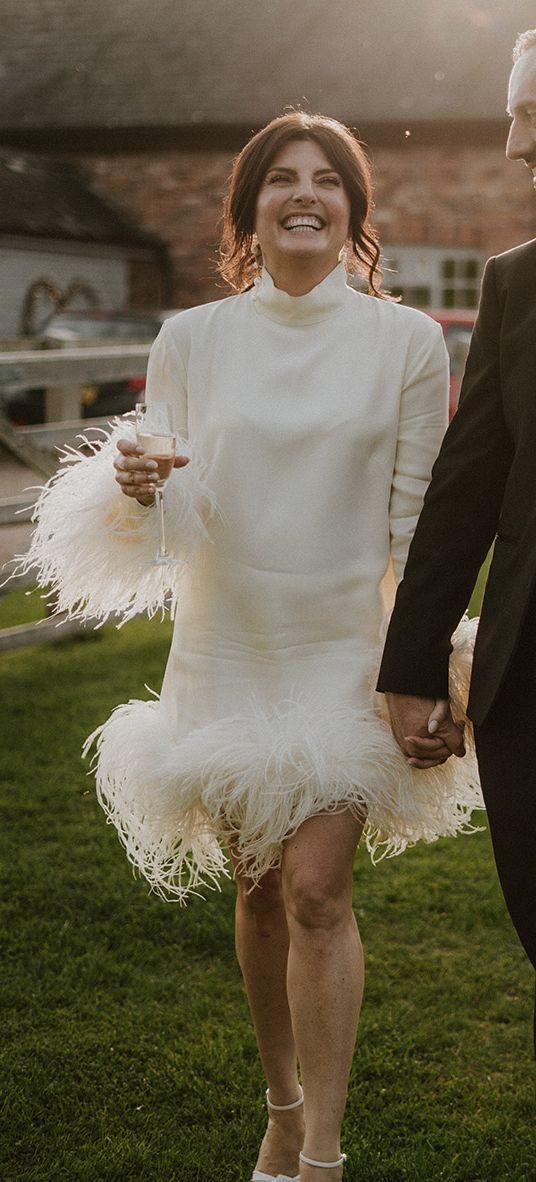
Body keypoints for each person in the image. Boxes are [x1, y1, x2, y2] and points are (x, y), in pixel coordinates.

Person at [21, 112, 482, 1180]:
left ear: (354, 215)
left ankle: (319, 1153)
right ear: (249, 208)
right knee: (259, 886)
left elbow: (416, 521)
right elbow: (154, 512)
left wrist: (421, 666)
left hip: (340, 648)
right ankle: (278, 1103)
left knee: (319, 886)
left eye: (327, 180)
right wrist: (127, 485)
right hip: (226, 646)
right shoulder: (190, 338)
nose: (304, 195)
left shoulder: (404, 342)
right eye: (281, 179)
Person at [377, 30, 536, 1051]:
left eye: (533, 117)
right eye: (517, 114)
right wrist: (412, 665)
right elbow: (463, 491)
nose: (514, 145)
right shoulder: (514, 284)